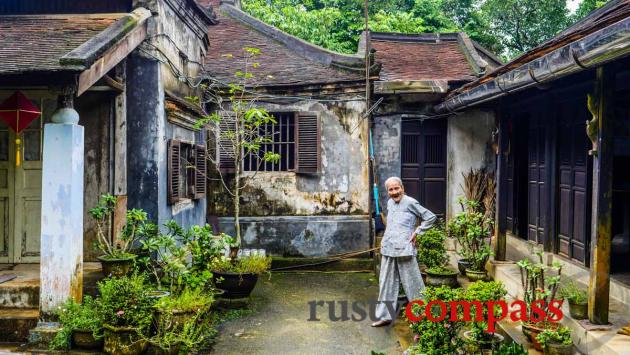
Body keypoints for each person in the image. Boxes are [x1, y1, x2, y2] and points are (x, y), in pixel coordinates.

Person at [371, 176, 437, 327]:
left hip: (404, 249)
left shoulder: (410, 202)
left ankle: (422, 316)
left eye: (396, 188)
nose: (394, 192)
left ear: (402, 188)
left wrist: (418, 231)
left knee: (413, 283)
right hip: (388, 248)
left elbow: (430, 217)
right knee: (386, 283)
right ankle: (385, 316)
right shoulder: (389, 203)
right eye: (391, 189)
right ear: (387, 191)